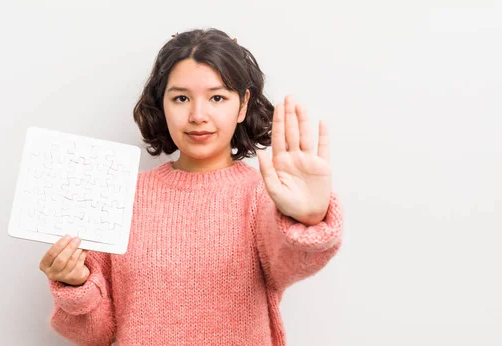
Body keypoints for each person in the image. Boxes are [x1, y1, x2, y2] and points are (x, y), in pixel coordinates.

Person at [38, 28, 344, 346]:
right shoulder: (121, 197)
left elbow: (291, 262)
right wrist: (76, 284)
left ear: (242, 105)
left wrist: (308, 220)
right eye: (181, 98)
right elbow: (96, 334)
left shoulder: (264, 196)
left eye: (217, 97)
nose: (198, 116)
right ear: (162, 104)